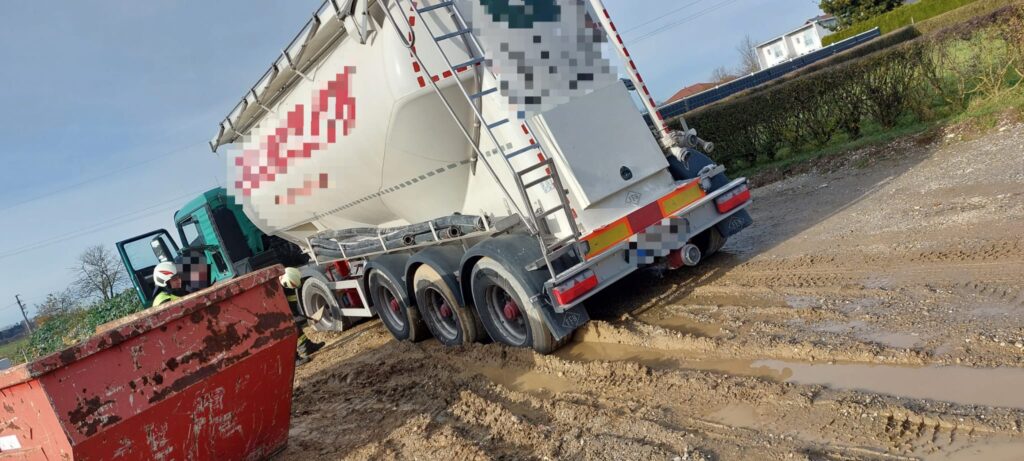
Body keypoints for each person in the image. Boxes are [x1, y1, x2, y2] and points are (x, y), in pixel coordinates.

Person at [280, 267, 325, 361]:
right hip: (276, 314)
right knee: (289, 331)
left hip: (284, 310)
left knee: (295, 327)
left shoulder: (290, 279)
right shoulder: (277, 288)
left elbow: (292, 298)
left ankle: (307, 348)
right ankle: (295, 358)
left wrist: (293, 310)